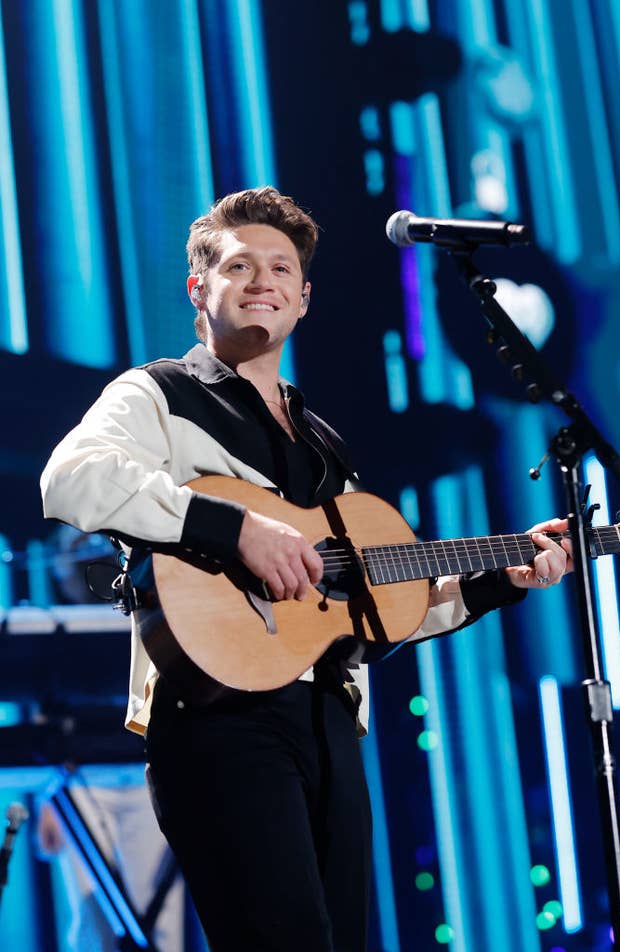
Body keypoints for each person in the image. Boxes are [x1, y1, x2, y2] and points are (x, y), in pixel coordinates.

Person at [41, 186, 572, 951]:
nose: (264, 281)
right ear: (200, 288)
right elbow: (72, 478)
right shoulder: (157, 394)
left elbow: (369, 604)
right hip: (216, 716)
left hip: (327, 718)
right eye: (239, 265)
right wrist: (234, 529)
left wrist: (499, 579)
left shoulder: (324, 443)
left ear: (304, 299)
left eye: (281, 269)